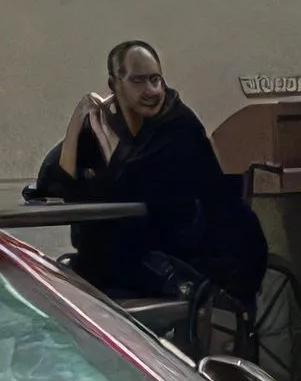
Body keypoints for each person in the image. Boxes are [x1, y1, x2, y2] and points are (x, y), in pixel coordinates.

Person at [32, 38, 267, 345]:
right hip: (114, 255)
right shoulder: (103, 123)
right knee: (55, 280)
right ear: (114, 84)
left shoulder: (179, 126)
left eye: (156, 79)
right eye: (138, 80)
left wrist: (100, 167)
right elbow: (51, 182)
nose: (152, 90)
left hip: (177, 253)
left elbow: (132, 189)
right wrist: (76, 127)